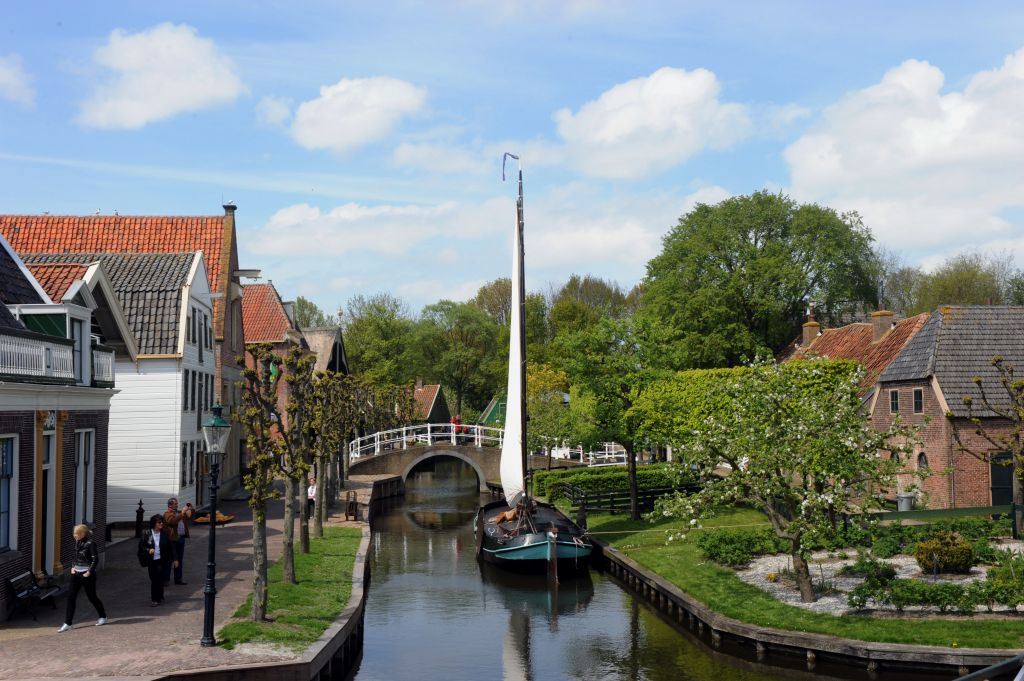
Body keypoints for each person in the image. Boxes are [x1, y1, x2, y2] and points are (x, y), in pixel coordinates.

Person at [58, 524, 107, 632]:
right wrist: (72, 567)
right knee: (71, 597)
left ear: (83, 534)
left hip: (87, 574)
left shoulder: (91, 544)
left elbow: (95, 560)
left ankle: (103, 616)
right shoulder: (76, 543)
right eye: (74, 533)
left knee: (92, 597)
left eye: (77, 534)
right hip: (76, 573)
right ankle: (68, 623)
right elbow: (74, 556)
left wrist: (89, 572)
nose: (74, 535)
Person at [138, 514, 177, 606]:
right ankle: (158, 595)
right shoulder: (147, 533)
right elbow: (141, 546)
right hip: (151, 561)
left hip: (162, 560)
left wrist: (175, 559)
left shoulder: (164, 533)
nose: (161, 523)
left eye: (162, 522)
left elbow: (171, 547)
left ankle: (155, 599)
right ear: (154, 524)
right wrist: (148, 550)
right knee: (154, 579)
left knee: (158, 579)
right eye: (159, 522)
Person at [163, 497, 193, 585]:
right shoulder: (167, 513)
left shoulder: (179, 513)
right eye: (175, 504)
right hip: (172, 539)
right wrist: (182, 513)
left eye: (177, 503)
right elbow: (172, 522)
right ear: (170, 505)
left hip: (181, 538)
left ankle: (178, 579)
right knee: (169, 560)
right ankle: (165, 580)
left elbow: (189, 516)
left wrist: (190, 508)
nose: (177, 505)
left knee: (179, 559)